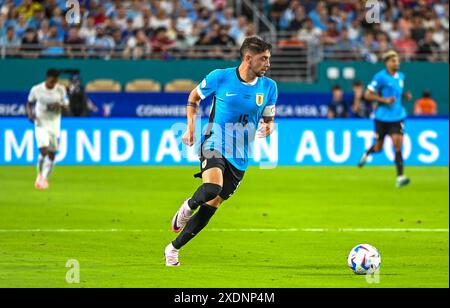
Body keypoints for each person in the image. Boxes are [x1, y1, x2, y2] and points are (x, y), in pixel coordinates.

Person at [164, 36, 278, 266]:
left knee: (212, 206)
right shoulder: (221, 77)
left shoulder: (269, 87)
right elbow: (194, 97)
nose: (268, 64)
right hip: (214, 141)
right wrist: (190, 128)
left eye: (268, 59)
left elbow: (269, 118)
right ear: (248, 58)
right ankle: (188, 206)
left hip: (241, 155)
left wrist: (269, 127)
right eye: (263, 59)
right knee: (211, 187)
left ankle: (173, 249)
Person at [358, 50, 413, 188]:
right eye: (394, 61)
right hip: (382, 117)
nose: (397, 63)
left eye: (398, 60)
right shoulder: (380, 77)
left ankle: (400, 177)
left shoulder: (401, 76)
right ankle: (367, 153)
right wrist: (383, 100)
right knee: (378, 147)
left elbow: (396, 94)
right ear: (387, 62)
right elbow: (367, 95)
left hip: (398, 116)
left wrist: (404, 96)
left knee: (397, 144)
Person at [26, 69, 69, 190]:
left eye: (56, 81)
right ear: (47, 78)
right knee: (43, 150)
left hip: (55, 124)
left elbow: (66, 107)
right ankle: (39, 176)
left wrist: (60, 105)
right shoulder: (37, 89)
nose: (54, 83)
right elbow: (29, 103)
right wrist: (30, 114)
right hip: (41, 122)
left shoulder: (61, 89)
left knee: (52, 154)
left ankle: (44, 178)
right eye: (52, 81)